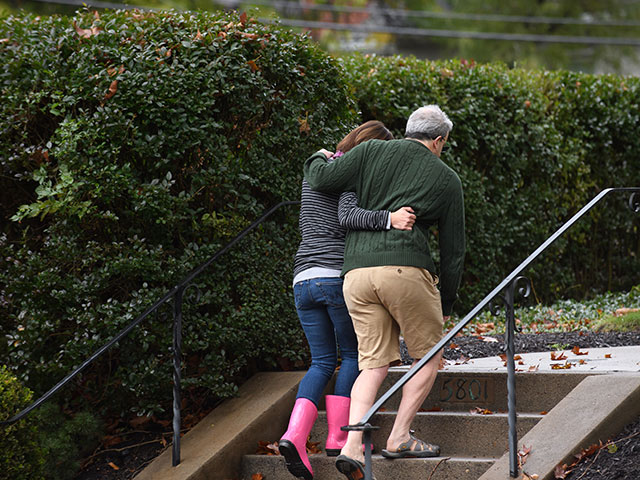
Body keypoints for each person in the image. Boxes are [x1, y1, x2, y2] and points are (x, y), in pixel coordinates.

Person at [303, 105, 466, 480]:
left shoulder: (368, 151)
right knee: (429, 356)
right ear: (438, 141)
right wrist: (447, 300)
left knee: (373, 363)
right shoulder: (446, 179)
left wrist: (315, 156)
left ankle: (352, 445)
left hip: (356, 274)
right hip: (405, 269)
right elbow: (454, 251)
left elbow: (322, 177)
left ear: (409, 129)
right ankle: (399, 437)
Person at [279, 120, 417, 480]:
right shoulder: (350, 175)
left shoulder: (320, 168)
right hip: (332, 276)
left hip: (302, 279)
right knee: (354, 356)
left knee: (321, 363)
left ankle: (294, 435)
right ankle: (340, 437)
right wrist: (390, 218)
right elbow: (347, 216)